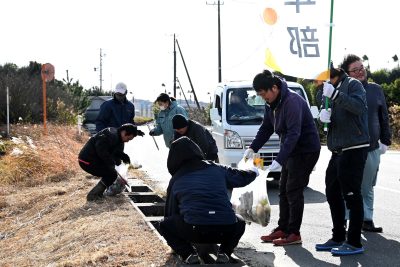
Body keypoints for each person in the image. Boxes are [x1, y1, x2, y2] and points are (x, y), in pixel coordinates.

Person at [243, 70, 320, 246]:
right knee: (283, 190)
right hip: (292, 151)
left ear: (274, 88)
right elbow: (266, 128)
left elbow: (294, 133)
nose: (263, 98)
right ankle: (283, 228)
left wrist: (279, 158)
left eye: (264, 94)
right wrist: (253, 147)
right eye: (260, 95)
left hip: (306, 150)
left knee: (293, 190)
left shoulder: (292, 101)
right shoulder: (272, 103)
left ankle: (294, 233)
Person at [159, 136, 258, 264]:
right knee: (240, 222)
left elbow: (171, 212)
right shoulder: (218, 169)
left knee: (164, 224)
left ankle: (188, 254)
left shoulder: (177, 178)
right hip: (225, 230)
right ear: (197, 151)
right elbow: (241, 177)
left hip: (193, 231)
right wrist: (254, 171)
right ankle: (224, 253)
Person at [315, 67, 370, 256]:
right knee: (332, 192)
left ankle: (354, 242)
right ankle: (338, 236)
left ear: (332, 76)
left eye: (321, 80)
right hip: (337, 150)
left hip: (354, 147)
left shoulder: (353, 85)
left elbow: (359, 108)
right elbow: (328, 114)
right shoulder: (327, 90)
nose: (320, 84)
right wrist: (323, 118)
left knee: (352, 196)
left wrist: (336, 94)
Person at [341, 54, 391, 233]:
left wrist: (386, 140)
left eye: (362, 68)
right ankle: (347, 219)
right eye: (355, 70)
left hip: (372, 147)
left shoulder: (376, 89)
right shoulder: (344, 91)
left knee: (368, 186)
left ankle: (367, 219)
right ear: (347, 74)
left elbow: (383, 116)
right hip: (350, 147)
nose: (360, 71)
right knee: (349, 187)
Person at [78, 123, 145, 201]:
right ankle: (93, 195)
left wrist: (123, 157)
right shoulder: (110, 135)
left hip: (92, 159)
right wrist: (111, 163)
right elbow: (101, 150)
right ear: (124, 133)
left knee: (112, 173)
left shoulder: (118, 137)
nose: (127, 141)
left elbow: (114, 153)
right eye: (128, 139)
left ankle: (99, 194)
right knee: (111, 174)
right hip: (87, 161)